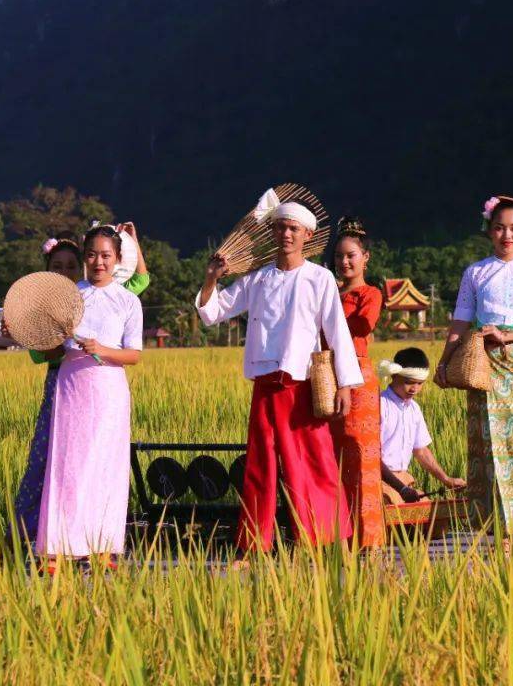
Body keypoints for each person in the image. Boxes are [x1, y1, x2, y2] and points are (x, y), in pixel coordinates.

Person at [195, 191, 362, 554]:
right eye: (280, 227)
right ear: (271, 232)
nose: (286, 234)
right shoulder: (257, 280)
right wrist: (211, 278)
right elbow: (213, 312)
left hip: (301, 386)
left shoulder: (319, 278)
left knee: (313, 462)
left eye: (293, 229)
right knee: (261, 466)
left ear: (307, 235)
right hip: (265, 385)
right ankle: (254, 545)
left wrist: (346, 384)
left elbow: (337, 332)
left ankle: (324, 539)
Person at [5, 223, 150, 547]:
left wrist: (102, 350)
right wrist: (21, 332)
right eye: (92, 255)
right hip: (68, 389)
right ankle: (50, 543)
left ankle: (101, 544)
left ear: (117, 259)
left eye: (106, 256)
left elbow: (134, 352)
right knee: (64, 466)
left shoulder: (126, 300)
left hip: (109, 392)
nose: (99, 262)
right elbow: (48, 350)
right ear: (86, 257)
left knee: (104, 466)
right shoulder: (67, 299)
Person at [433, 196, 513, 552]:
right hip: (483, 363)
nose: (507, 235)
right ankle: (497, 532)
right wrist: (444, 362)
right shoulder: (475, 272)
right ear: (489, 231)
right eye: (500, 228)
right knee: (487, 448)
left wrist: (509, 337)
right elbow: (460, 322)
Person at [330, 216, 387, 549]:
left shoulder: (370, 294)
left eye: (351, 255)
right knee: (333, 458)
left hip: (358, 377)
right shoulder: (329, 293)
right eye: (339, 256)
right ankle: (339, 535)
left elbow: (364, 325)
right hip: (326, 377)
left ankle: (370, 539)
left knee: (362, 457)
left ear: (365, 258)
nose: (344, 262)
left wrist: (332, 317)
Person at [379, 347, 466, 505]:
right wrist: (402, 489)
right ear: (394, 375)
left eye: (420, 383)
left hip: (403, 480)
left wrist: (446, 479)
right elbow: (371, 457)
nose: (415, 389)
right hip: (379, 482)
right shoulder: (380, 405)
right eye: (409, 382)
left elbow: (421, 450)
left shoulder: (414, 409)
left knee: (432, 512)